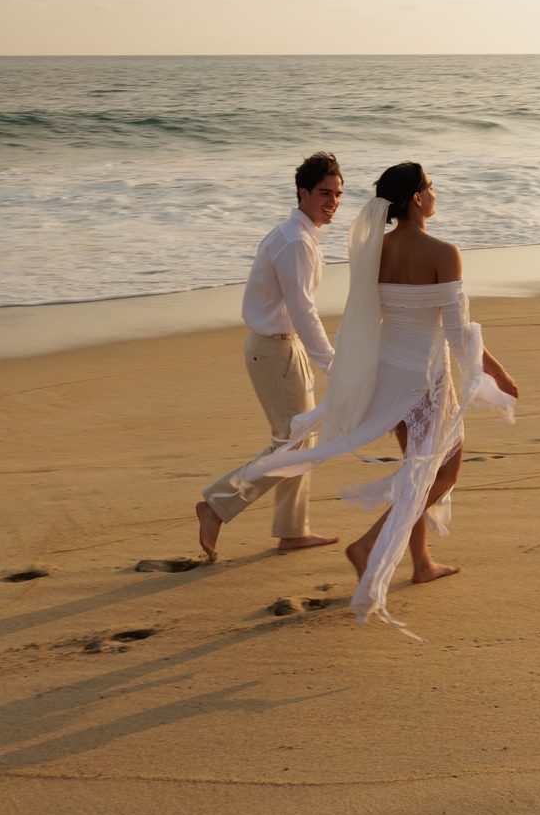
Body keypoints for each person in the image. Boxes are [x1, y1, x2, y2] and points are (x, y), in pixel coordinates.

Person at [238, 162, 519, 634]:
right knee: (440, 474)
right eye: (429, 188)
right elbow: (456, 334)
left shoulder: (377, 250)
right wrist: (498, 375)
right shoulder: (443, 252)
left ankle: (422, 561)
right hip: (426, 382)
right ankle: (369, 545)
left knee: (418, 469)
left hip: (388, 376)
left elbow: (367, 317)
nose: (434, 194)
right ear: (414, 199)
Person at [194, 152, 346, 561]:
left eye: (337, 194)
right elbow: (303, 310)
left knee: (299, 439)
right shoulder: (296, 241)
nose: (332, 201)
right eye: (324, 193)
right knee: (293, 443)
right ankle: (216, 506)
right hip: (276, 349)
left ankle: (292, 531)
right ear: (303, 193)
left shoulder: (298, 235)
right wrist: (333, 364)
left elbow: (300, 310)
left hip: (278, 346)